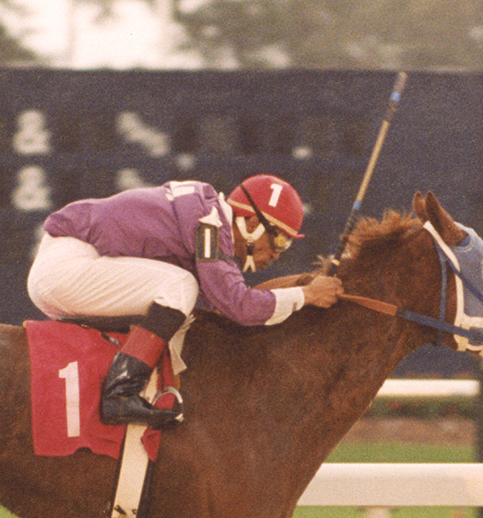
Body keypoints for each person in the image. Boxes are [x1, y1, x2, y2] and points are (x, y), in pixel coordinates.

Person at [27, 174, 345, 428]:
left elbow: (222, 302)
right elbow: (240, 307)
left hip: (68, 267)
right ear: (251, 223)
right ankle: (119, 393)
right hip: (67, 268)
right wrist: (306, 294)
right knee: (180, 286)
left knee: (184, 305)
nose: (277, 252)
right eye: (279, 239)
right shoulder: (208, 225)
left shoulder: (204, 216)